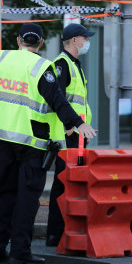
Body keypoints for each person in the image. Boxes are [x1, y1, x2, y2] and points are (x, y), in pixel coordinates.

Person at [0, 23, 97, 264]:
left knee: (5, 195)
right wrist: (78, 123)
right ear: (41, 43)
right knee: (27, 198)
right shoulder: (42, 67)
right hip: (32, 141)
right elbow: (57, 101)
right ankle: (20, 251)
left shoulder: (1, 60)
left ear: (18, 41)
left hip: (4, 138)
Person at [46, 23, 96, 247]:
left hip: (77, 135)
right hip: (67, 135)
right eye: (85, 38)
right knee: (63, 184)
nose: (87, 42)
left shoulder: (74, 64)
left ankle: (61, 231)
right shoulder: (62, 65)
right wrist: (69, 126)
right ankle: (55, 234)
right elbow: (59, 99)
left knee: (70, 184)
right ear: (74, 40)